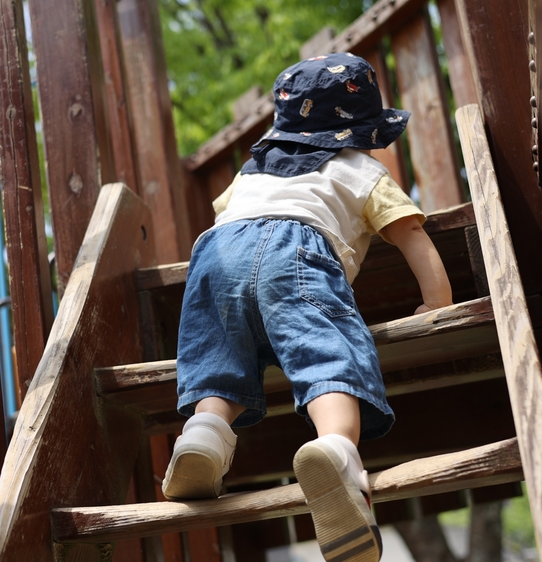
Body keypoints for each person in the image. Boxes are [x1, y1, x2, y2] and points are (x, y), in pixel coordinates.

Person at [161, 52, 453, 562]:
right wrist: (436, 304)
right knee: (326, 353)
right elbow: (411, 235)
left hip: (214, 254)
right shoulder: (362, 169)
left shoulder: (250, 173)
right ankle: (337, 450)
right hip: (295, 250)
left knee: (221, 360)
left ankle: (204, 436)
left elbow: (227, 218)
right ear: (362, 128)